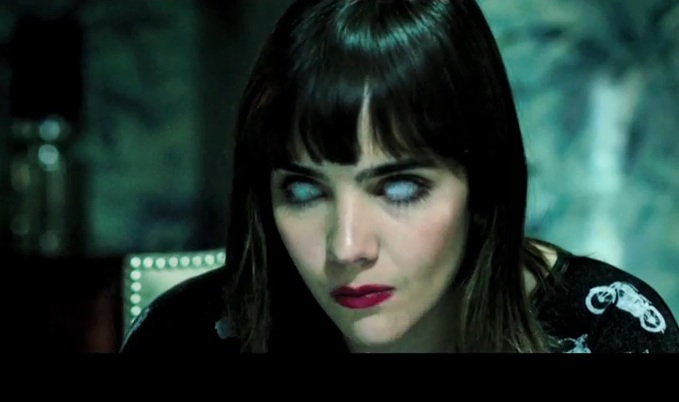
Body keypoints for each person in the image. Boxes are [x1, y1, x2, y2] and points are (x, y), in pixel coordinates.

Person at [119, 0, 679, 353]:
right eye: (304, 190)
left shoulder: (610, 332)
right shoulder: (186, 336)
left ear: (483, 187)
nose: (346, 246)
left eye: (400, 188)